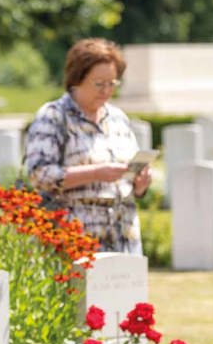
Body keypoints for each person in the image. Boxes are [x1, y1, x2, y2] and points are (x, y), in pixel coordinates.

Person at [24, 37, 152, 254]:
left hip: (124, 236)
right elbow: (39, 175)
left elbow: (129, 180)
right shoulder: (54, 116)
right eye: (99, 83)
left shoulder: (118, 118)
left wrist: (140, 184)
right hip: (75, 236)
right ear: (77, 79)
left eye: (112, 83)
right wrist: (96, 173)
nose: (106, 90)